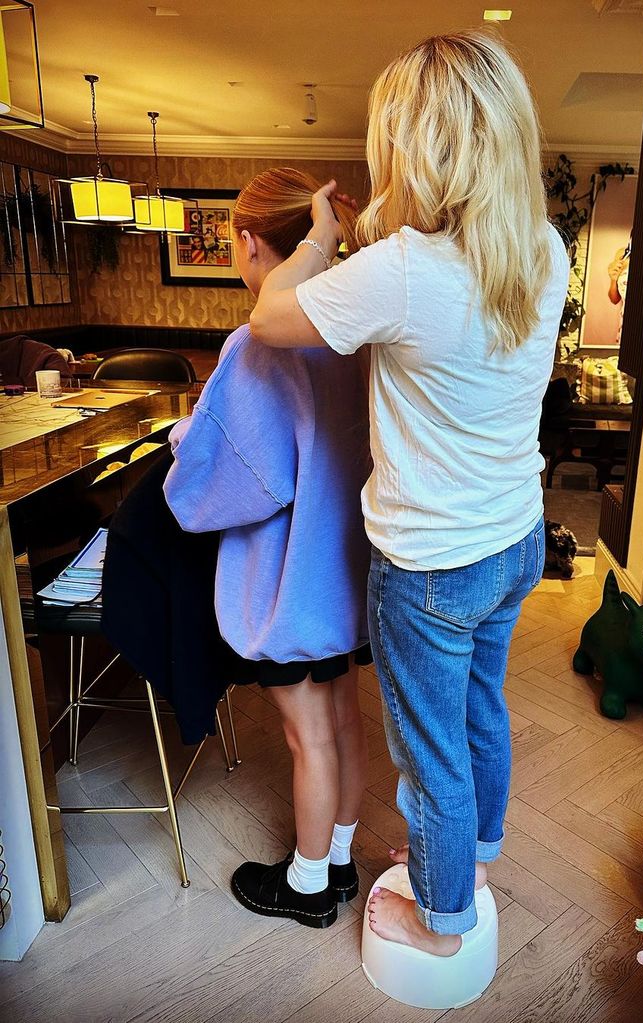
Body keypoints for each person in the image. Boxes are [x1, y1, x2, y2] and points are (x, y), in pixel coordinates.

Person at [247, 32, 570, 956]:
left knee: (428, 757)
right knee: (480, 710)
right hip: (513, 538)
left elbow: (269, 318)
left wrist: (317, 234)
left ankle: (442, 920)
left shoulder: (397, 272)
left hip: (429, 563)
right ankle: (475, 853)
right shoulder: (537, 248)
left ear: (416, 147)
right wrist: (377, 220)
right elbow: (423, 252)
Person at [163, 168, 371, 930]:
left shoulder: (258, 342)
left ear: (249, 243)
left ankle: (309, 884)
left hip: (285, 577)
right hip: (340, 568)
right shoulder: (347, 334)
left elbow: (215, 482)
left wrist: (188, 436)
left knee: (304, 731)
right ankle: (340, 855)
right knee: (343, 717)